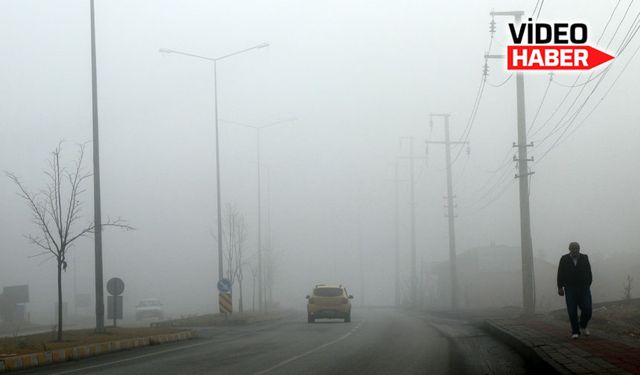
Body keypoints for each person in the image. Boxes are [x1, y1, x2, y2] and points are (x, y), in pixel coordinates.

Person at [557, 241, 593, 339]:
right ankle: (575, 331)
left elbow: (589, 272)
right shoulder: (564, 259)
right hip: (570, 288)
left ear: (579, 249)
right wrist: (560, 287)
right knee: (572, 311)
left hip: (584, 288)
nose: (575, 250)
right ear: (569, 249)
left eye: (576, 248)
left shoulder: (584, 258)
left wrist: (587, 284)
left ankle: (583, 325)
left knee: (587, 309)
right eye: (573, 248)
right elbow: (560, 273)